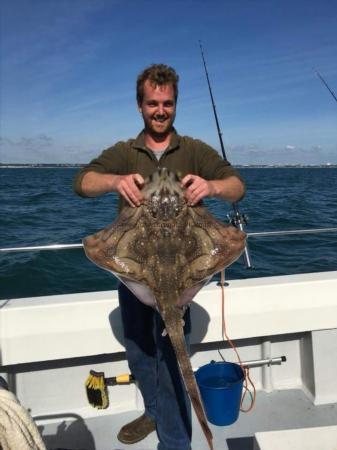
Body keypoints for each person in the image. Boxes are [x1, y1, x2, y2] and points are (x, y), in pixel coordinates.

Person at [74, 64, 245, 450]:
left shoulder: (195, 151)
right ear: (140, 106)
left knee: (172, 364)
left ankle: (174, 442)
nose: (160, 110)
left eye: (167, 103)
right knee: (138, 351)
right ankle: (153, 411)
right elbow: (81, 183)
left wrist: (212, 185)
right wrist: (115, 181)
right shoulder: (124, 152)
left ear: (175, 105)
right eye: (153, 103)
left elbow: (237, 187)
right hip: (133, 275)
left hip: (184, 274)